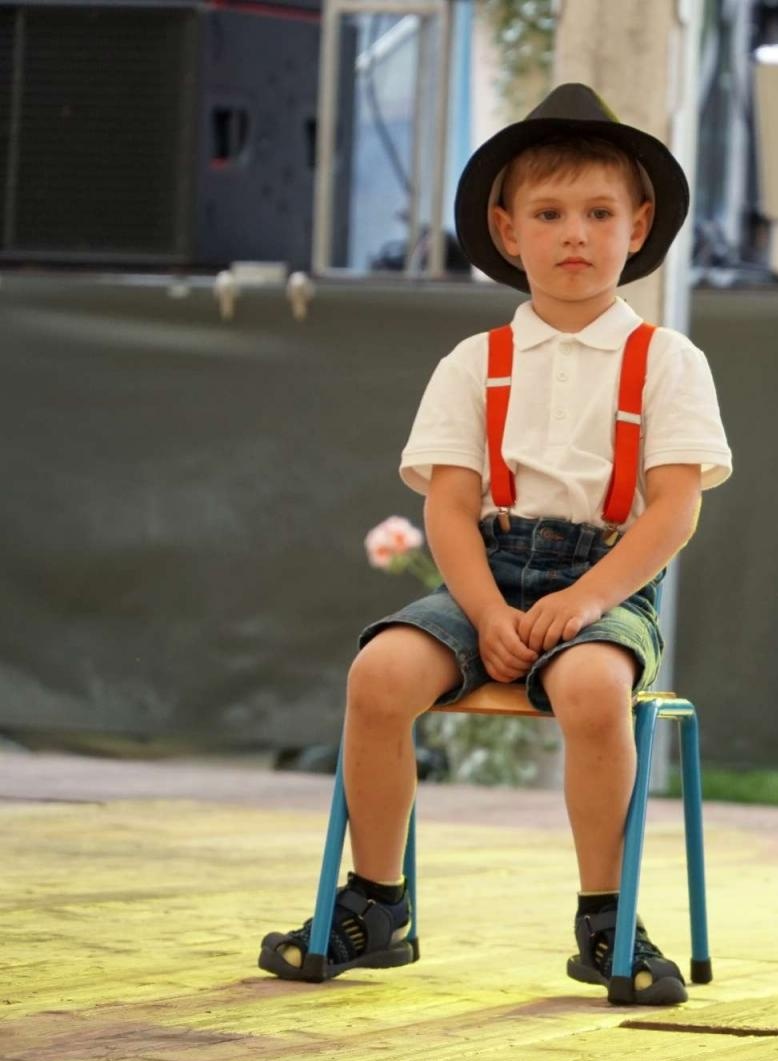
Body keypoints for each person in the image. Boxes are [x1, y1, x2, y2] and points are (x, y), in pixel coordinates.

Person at [258, 83, 732, 1007]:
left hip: (603, 584)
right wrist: (483, 610)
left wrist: (586, 600)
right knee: (379, 676)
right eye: (549, 213)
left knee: (595, 687)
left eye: (599, 213)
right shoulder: (475, 362)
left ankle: (606, 915)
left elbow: (672, 512)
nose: (575, 234)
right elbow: (449, 508)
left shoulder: (669, 362)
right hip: (487, 571)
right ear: (507, 232)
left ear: (639, 227)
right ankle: (378, 902)